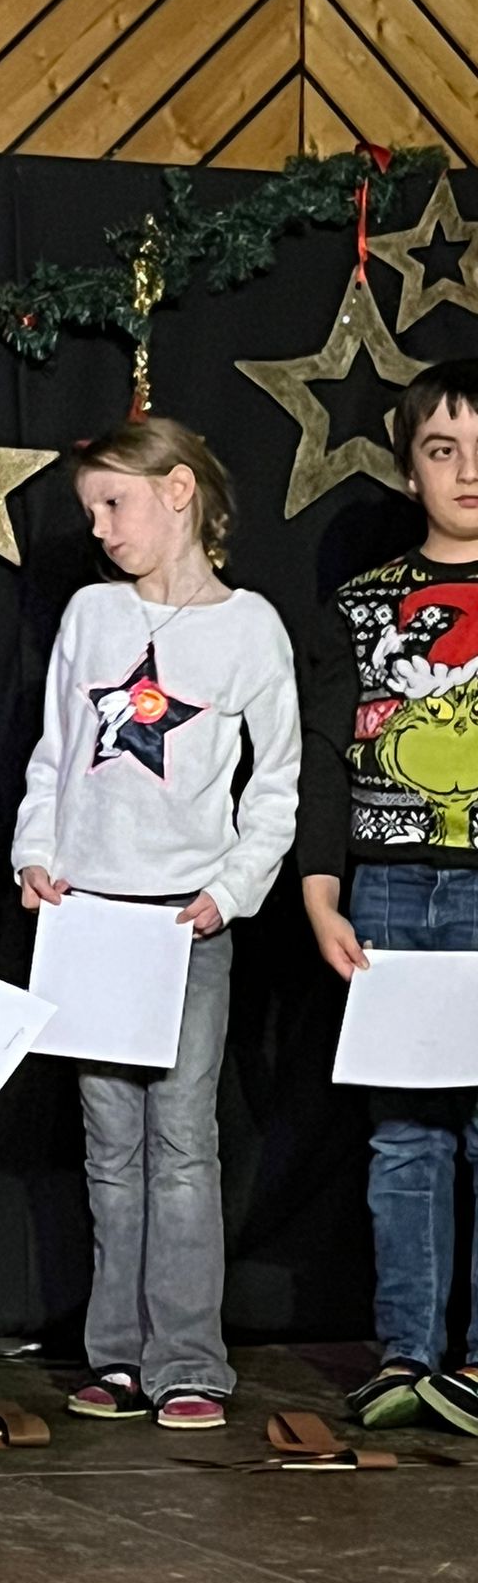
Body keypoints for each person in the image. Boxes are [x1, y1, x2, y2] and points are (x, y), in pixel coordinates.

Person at [12, 418, 299, 1430]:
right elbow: (55, 749)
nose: (99, 528)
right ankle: (119, 1355)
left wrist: (234, 888)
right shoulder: (92, 613)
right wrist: (35, 850)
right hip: (90, 917)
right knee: (109, 1147)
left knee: (180, 1145)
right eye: (90, 509)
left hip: (185, 925)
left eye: (114, 503)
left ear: (179, 491)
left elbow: (276, 783)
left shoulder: (250, 628)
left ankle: (188, 1361)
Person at [299, 360, 478, 1435]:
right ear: (410, 469)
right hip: (395, 892)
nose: (468, 472)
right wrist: (323, 894)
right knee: (406, 1133)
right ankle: (408, 1351)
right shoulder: (364, 606)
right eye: (443, 450)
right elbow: (326, 759)